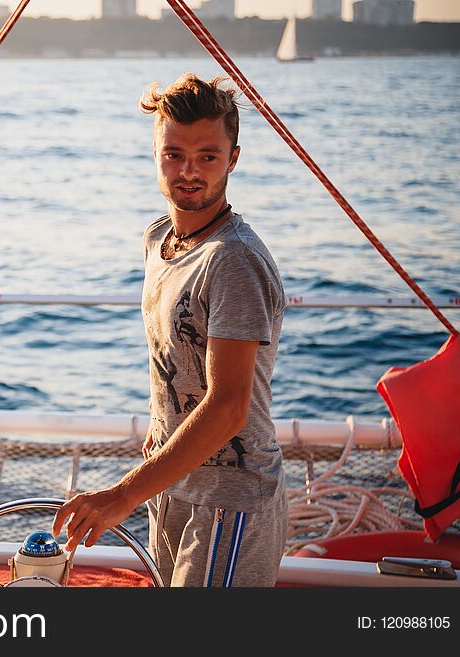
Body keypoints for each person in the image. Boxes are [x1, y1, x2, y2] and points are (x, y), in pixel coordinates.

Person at [52, 73, 287, 587]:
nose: (188, 171)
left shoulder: (234, 262)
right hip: (172, 485)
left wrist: (121, 496)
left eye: (207, 156)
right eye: (173, 154)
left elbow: (229, 407)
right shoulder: (159, 239)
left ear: (234, 158)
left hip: (230, 500)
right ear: (155, 152)